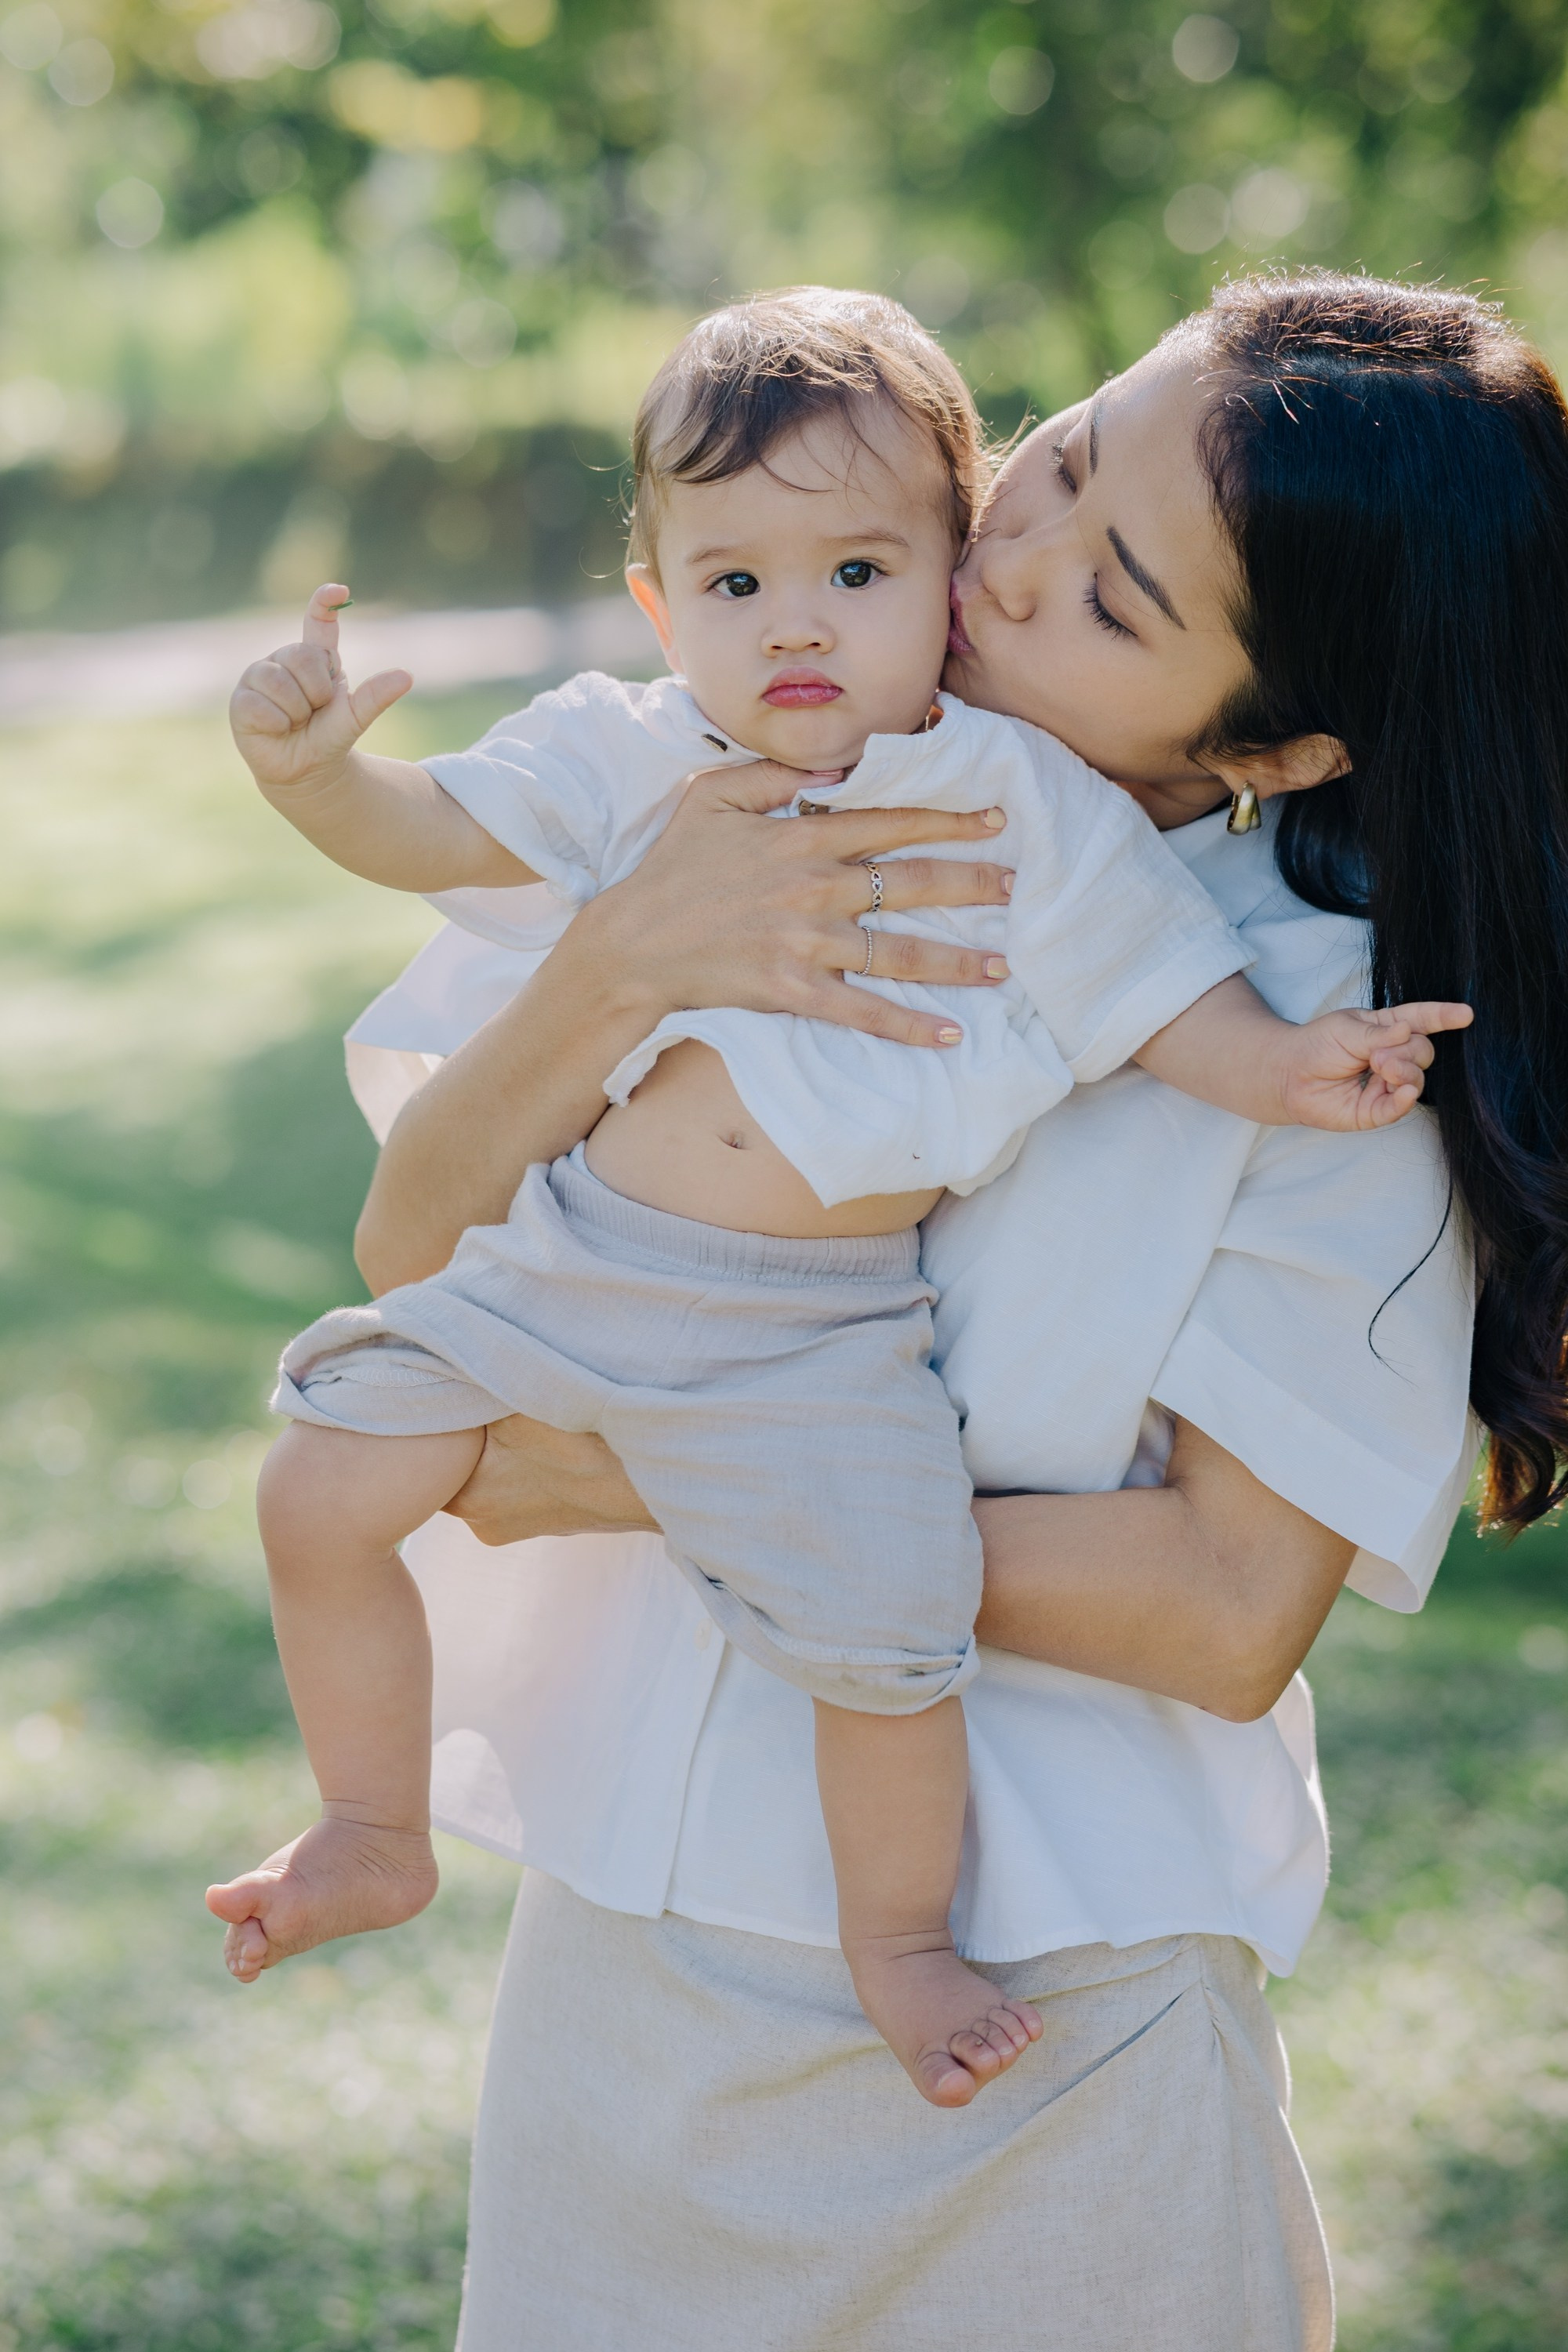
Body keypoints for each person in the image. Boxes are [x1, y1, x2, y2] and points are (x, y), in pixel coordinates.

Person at [238, 274, 1568, 2348]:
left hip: (1058, 2023)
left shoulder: (1326, 1049)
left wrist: (641, 1472)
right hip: (636, 1971)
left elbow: (1224, 1607)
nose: (1002, 561)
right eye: (1052, 460)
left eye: (1111, 597)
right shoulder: (730, 788)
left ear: (1276, 737)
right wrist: (618, 962)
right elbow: (419, 1249)